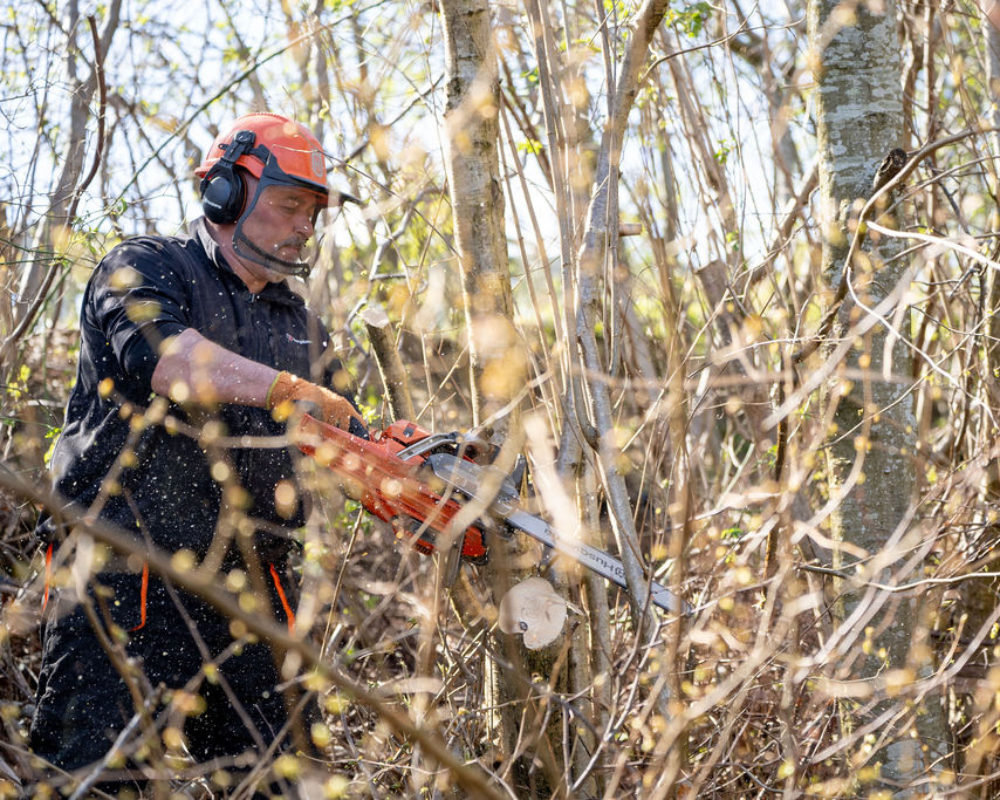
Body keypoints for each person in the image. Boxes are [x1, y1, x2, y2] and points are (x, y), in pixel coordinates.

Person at [29, 112, 364, 796]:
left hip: (253, 587)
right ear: (225, 194)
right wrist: (283, 388)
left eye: (313, 212)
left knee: (281, 778)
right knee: (93, 778)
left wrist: (414, 480)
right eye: (288, 205)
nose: (304, 225)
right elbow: (170, 362)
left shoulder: (303, 327)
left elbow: (344, 441)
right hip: (124, 571)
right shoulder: (146, 267)